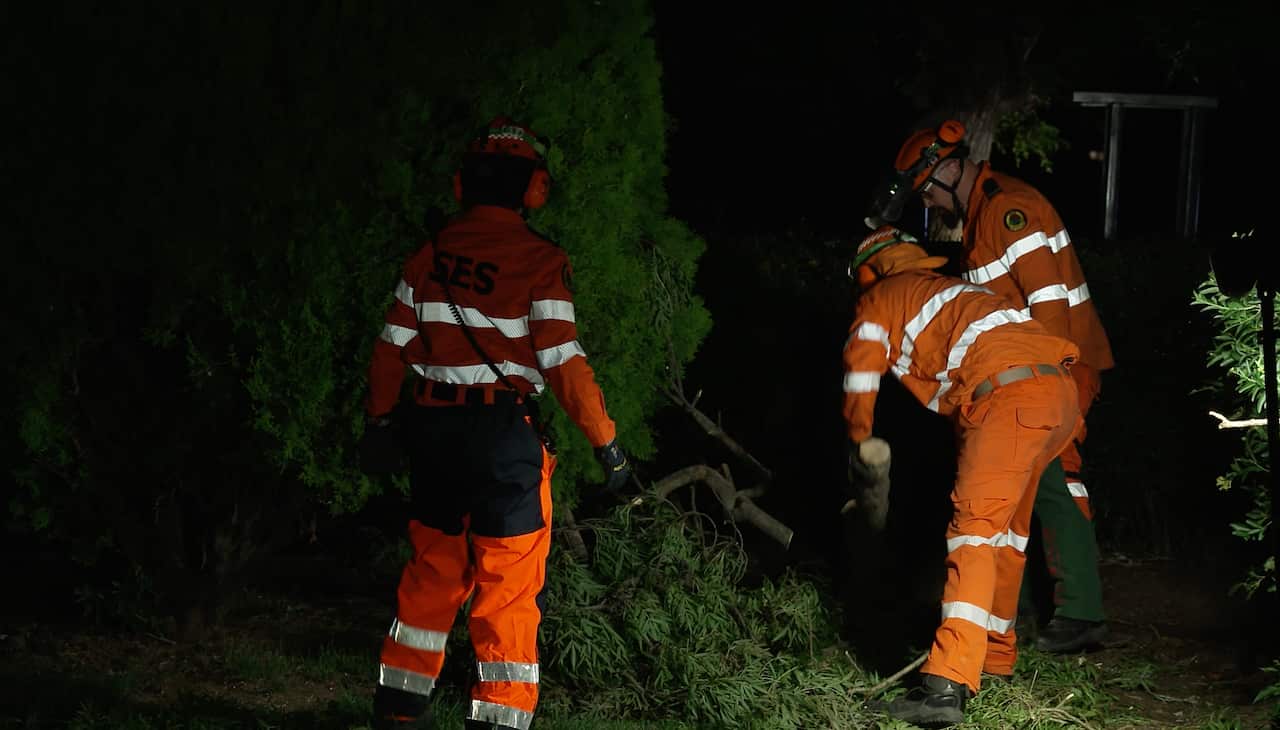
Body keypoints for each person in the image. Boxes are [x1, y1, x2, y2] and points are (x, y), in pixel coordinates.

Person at [360, 116, 632, 730]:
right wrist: (606, 444)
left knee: (432, 574)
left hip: (430, 433)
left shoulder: (429, 255)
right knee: (506, 590)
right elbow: (564, 362)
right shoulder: (541, 261)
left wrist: (378, 423)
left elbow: (388, 350)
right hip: (504, 441)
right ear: (534, 188)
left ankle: (399, 715)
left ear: (461, 186)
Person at [867, 119, 1116, 654]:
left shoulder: (1006, 211)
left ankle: (1079, 615)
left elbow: (1049, 305)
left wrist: (1059, 387)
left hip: (1058, 367)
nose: (931, 202)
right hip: (1037, 374)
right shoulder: (983, 217)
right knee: (1027, 488)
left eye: (930, 189)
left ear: (952, 167)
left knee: (1054, 479)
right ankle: (1024, 620)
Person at [843, 226, 1082, 727]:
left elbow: (861, 368)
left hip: (1009, 398)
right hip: (1056, 395)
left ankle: (945, 686)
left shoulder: (882, 297)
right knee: (1007, 536)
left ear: (870, 272)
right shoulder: (955, 291)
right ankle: (994, 658)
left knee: (972, 534)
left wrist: (861, 436)